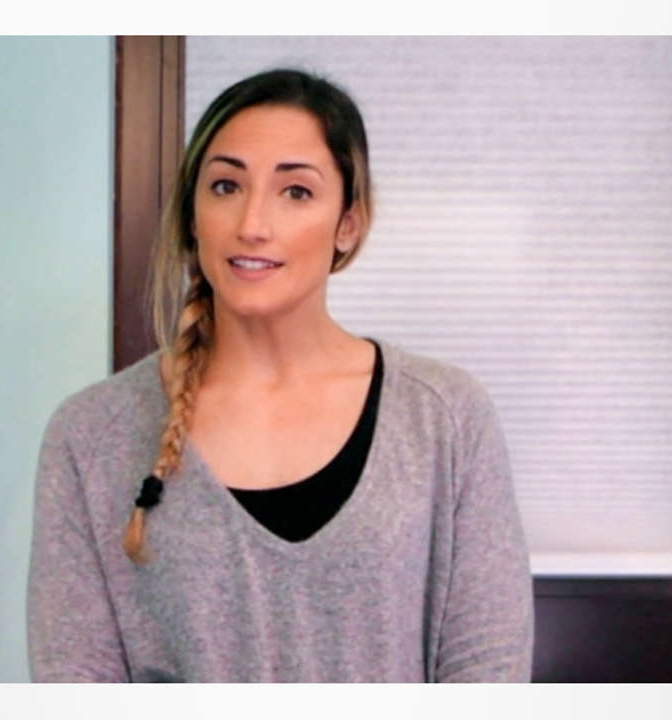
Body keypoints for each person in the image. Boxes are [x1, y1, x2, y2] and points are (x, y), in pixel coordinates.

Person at [26, 68, 533, 682]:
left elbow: (488, 670)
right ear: (192, 216)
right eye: (225, 186)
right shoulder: (90, 435)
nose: (252, 224)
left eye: (295, 191)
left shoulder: (444, 418)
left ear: (349, 223)